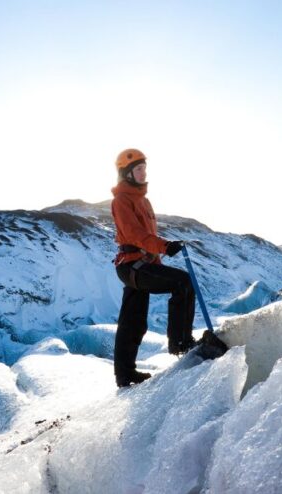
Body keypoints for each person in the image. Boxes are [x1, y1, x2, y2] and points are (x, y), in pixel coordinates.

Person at [110, 148, 197, 388]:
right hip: (131, 265)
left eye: (144, 168)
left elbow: (146, 237)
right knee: (183, 282)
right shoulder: (122, 200)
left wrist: (160, 251)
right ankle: (181, 343)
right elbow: (134, 234)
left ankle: (125, 374)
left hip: (140, 264)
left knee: (133, 321)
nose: (143, 173)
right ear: (126, 173)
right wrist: (164, 246)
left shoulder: (143, 200)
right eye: (138, 169)